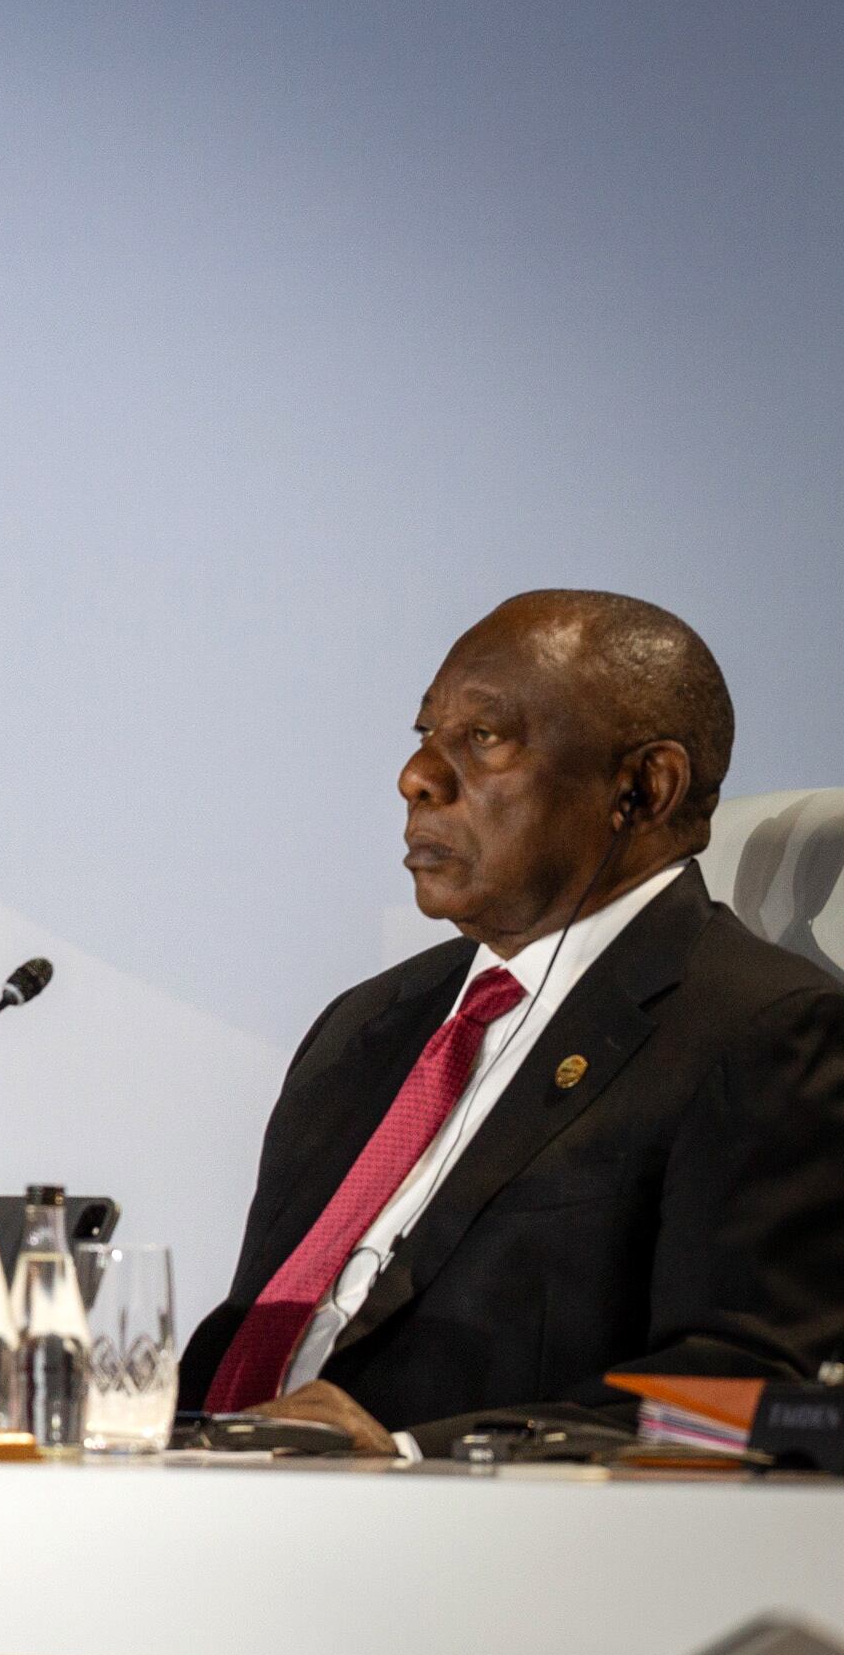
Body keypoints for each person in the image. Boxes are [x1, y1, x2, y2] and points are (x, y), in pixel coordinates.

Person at [176, 592, 844, 1457]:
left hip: (489, 1556)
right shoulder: (365, 1027)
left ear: (645, 787)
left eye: (483, 739)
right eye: (424, 735)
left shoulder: (763, 1033)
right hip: (203, 1508)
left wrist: (415, 1456)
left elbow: (741, 1395)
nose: (417, 776)